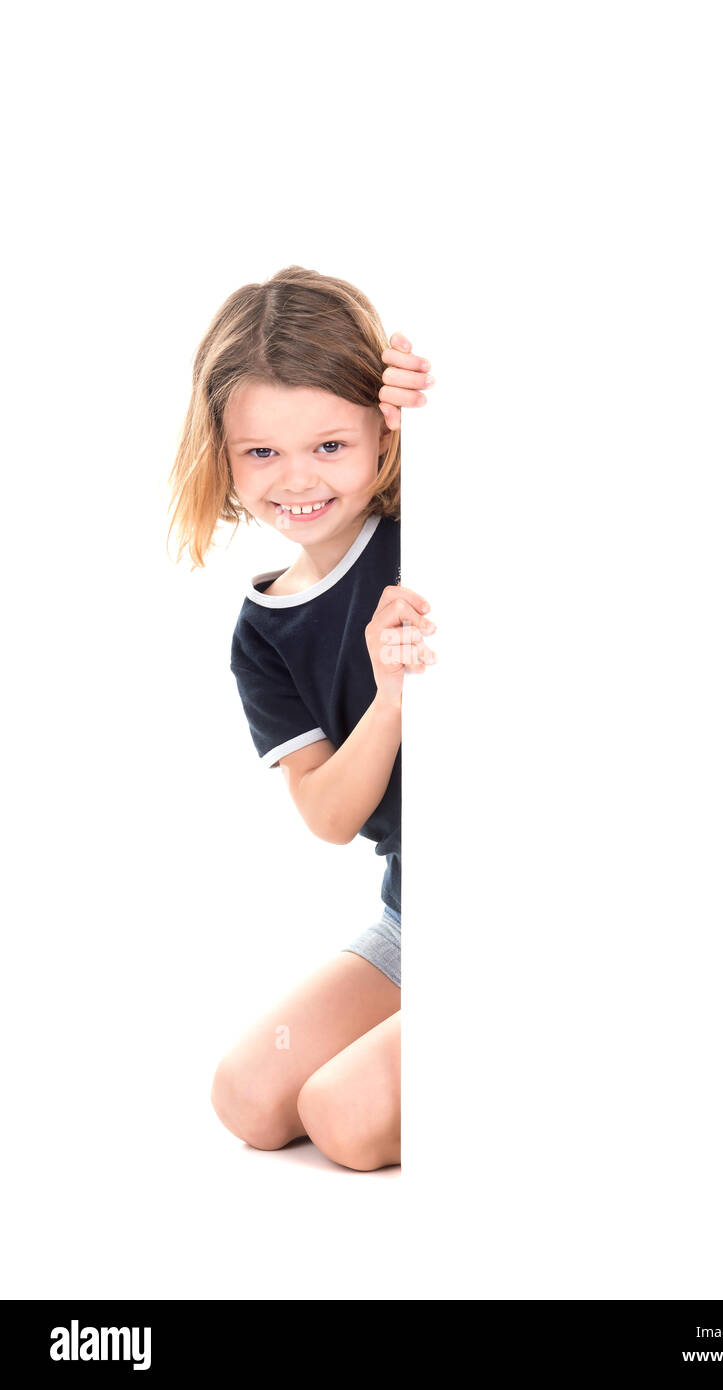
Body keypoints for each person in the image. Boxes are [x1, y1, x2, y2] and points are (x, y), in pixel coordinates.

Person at [166, 265, 436, 1171]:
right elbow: (328, 816)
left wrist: (444, 414)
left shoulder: (428, 527)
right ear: (222, 451)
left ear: (378, 431)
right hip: (417, 916)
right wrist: (389, 698)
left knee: (346, 1118)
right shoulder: (263, 632)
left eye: (329, 445)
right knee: (248, 1095)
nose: (295, 481)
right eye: (261, 452)